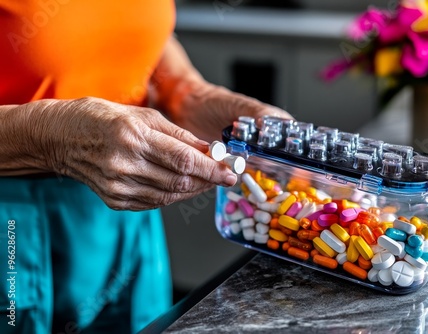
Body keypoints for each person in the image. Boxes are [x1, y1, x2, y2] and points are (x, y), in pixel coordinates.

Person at [0, 1, 291, 333]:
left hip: (122, 201)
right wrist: (49, 138)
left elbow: (123, 23)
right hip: (13, 225)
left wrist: (184, 90)